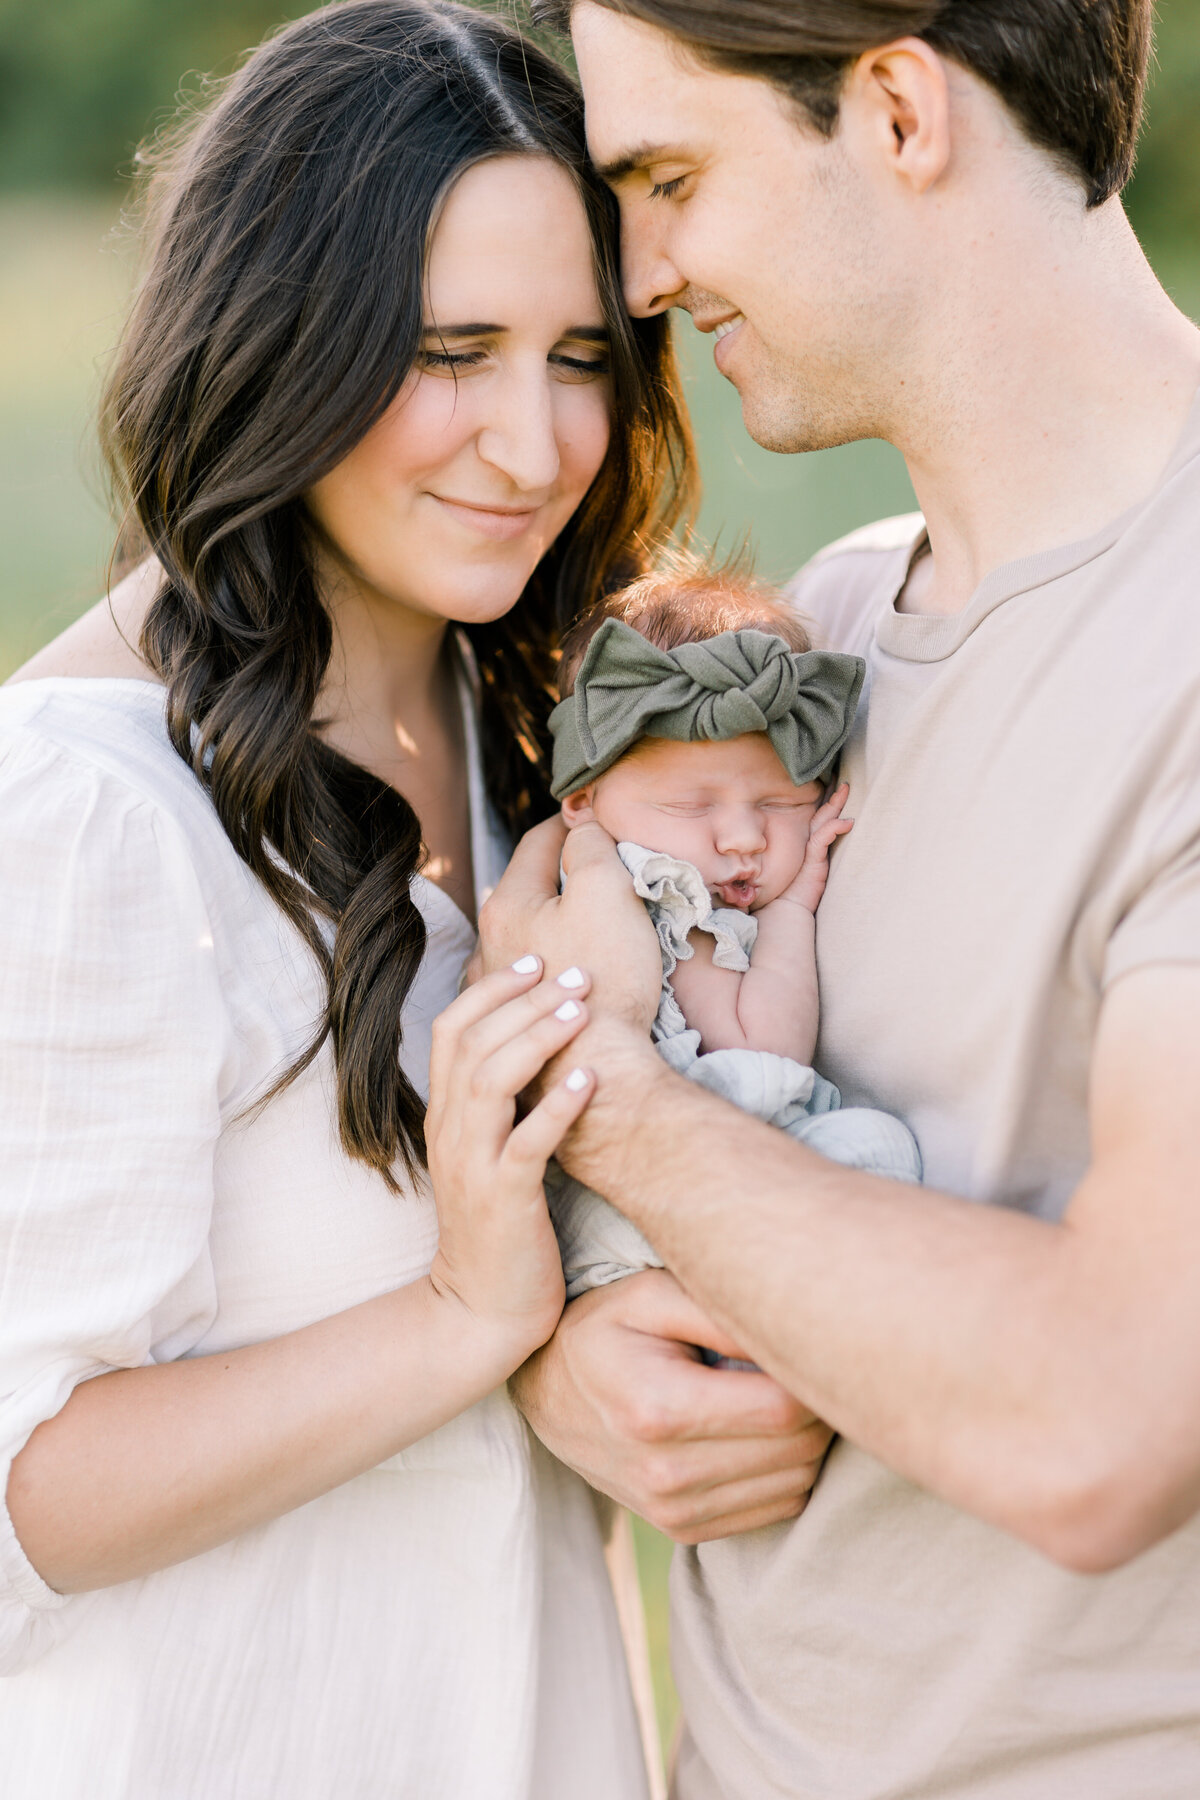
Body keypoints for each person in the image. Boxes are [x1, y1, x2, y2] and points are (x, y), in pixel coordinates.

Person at [474, 1, 1200, 1794]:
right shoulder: (834, 624)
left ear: (893, 110)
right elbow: (729, 1215)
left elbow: (1104, 1418)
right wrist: (580, 1361)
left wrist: (617, 1108)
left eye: (671, 177)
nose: (637, 276)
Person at [0, 3, 717, 1794]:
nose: (536, 443)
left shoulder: (534, 727)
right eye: (448, 350)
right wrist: (467, 1320)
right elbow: (31, 1497)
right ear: (280, 345)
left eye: (577, 355)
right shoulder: (89, 815)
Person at [542, 567, 920, 1310]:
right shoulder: (659, 892)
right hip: (642, 1214)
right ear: (582, 800)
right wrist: (793, 911)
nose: (744, 839)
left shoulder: (585, 877)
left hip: (647, 1213)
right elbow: (765, 1051)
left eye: (781, 803)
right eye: (692, 804)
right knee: (876, 1148)